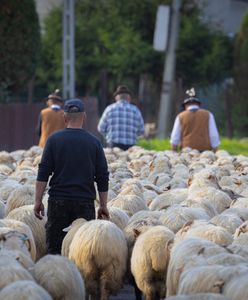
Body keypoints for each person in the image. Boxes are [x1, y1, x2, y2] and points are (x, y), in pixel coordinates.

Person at [34, 98, 109, 254]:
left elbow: (43, 172)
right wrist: (103, 205)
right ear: (84, 117)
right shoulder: (94, 143)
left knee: (55, 250)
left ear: (64, 117)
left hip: (58, 202)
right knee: (83, 252)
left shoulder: (53, 140)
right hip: (84, 203)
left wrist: (37, 200)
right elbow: (102, 176)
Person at [170, 88, 220, 152]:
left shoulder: (180, 116)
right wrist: (215, 150)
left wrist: (174, 150)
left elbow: (175, 136)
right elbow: (213, 135)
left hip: (187, 151)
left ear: (185, 105)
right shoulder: (208, 114)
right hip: (205, 152)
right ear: (198, 104)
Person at [97, 85, 145, 150]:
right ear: (128, 97)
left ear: (116, 98)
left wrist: (108, 136)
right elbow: (141, 131)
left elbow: (100, 128)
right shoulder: (136, 110)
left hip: (113, 146)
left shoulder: (109, 109)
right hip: (131, 149)